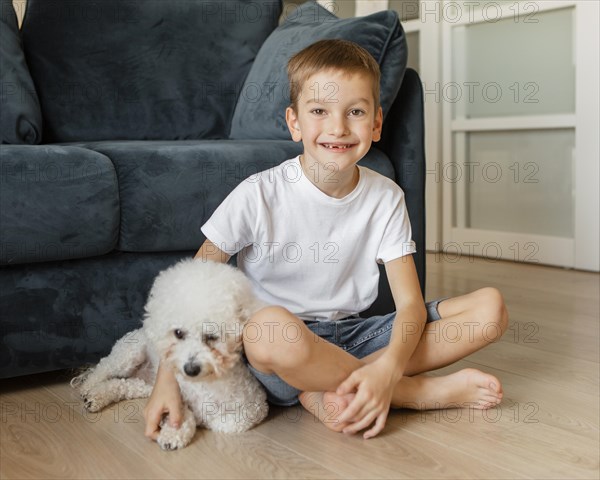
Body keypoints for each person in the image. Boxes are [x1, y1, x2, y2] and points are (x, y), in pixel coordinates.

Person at [144, 39, 508, 441]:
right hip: (279, 352)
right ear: (294, 121)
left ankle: (328, 388)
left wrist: (386, 366)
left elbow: (409, 305)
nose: (338, 127)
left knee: (490, 308)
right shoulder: (258, 193)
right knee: (269, 329)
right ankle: (413, 392)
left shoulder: (386, 197)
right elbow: (190, 290)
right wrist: (167, 380)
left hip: (356, 336)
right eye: (319, 111)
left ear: (376, 123)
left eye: (355, 112)